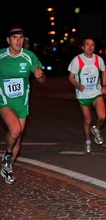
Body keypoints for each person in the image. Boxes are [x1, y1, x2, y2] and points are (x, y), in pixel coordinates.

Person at [0, 26, 46, 185]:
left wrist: (40, 76)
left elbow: (42, 79)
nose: (19, 41)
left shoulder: (30, 57)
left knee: (17, 140)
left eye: (21, 37)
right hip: (4, 101)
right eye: (15, 37)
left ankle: (7, 168)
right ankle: (7, 156)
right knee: (15, 130)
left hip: (22, 103)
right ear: (8, 40)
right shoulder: (0, 56)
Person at [68, 38, 106, 154]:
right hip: (83, 95)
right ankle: (88, 142)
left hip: (96, 93)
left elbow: (104, 71)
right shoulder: (77, 60)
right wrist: (77, 84)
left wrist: (104, 86)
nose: (90, 47)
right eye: (87, 45)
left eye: (92, 45)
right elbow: (70, 77)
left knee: (102, 117)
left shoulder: (98, 59)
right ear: (82, 47)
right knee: (88, 120)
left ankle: (96, 130)